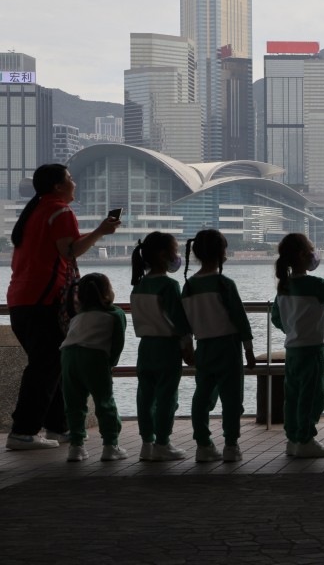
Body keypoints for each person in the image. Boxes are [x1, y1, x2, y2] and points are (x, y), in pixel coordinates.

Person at [6, 164, 120, 451]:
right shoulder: (60, 211)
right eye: (70, 178)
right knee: (45, 367)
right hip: (43, 301)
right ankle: (23, 432)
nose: (74, 183)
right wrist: (101, 232)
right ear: (58, 186)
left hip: (21, 299)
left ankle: (59, 427)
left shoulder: (36, 210)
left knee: (51, 364)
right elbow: (69, 250)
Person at [181, 229, 257, 463]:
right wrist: (249, 349)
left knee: (201, 397)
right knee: (232, 400)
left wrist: (187, 349)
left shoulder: (189, 285)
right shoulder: (224, 283)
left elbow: (184, 323)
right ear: (221, 252)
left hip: (202, 347)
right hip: (228, 347)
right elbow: (240, 318)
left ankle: (203, 445)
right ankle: (231, 446)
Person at [271, 233, 324, 459]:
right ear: (303, 255)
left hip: (292, 349)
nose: (315, 254)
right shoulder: (315, 284)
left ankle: (293, 439)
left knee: (292, 396)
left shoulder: (283, 287)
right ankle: (306, 439)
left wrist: (293, 329)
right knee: (311, 396)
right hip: (312, 349)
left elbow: (276, 319)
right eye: (312, 249)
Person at [130, 231, 192, 462]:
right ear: (164, 255)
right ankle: (163, 443)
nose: (177, 256)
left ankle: (147, 443)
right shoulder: (169, 285)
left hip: (145, 348)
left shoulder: (139, 286)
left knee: (145, 398)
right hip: (167, 348)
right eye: (175, 251)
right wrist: (188, 346)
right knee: (167, 397)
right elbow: (179, 320)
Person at [59, 272, 127, 462]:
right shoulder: (115, 313)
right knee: (104, 402)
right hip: (94, 357)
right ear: (107, 292)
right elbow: (117, 344)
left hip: (68, 356)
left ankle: (76, 447)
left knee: (74, 404)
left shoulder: (77, 317)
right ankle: (110, 446)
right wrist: (110, 365)